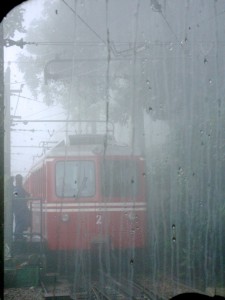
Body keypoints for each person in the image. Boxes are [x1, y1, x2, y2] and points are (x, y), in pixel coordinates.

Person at [12, 174, 31, 240]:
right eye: (20, 180)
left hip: (20, 209)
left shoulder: (19, 188)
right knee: (20, 222)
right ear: (18, 180)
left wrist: (28, 195)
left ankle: (19, 235)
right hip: (19, 209)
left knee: (20, 222)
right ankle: (18, 236)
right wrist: (24, 199)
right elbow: (15, 196)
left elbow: (26, 193)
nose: (21, 181)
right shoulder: (16, 189)